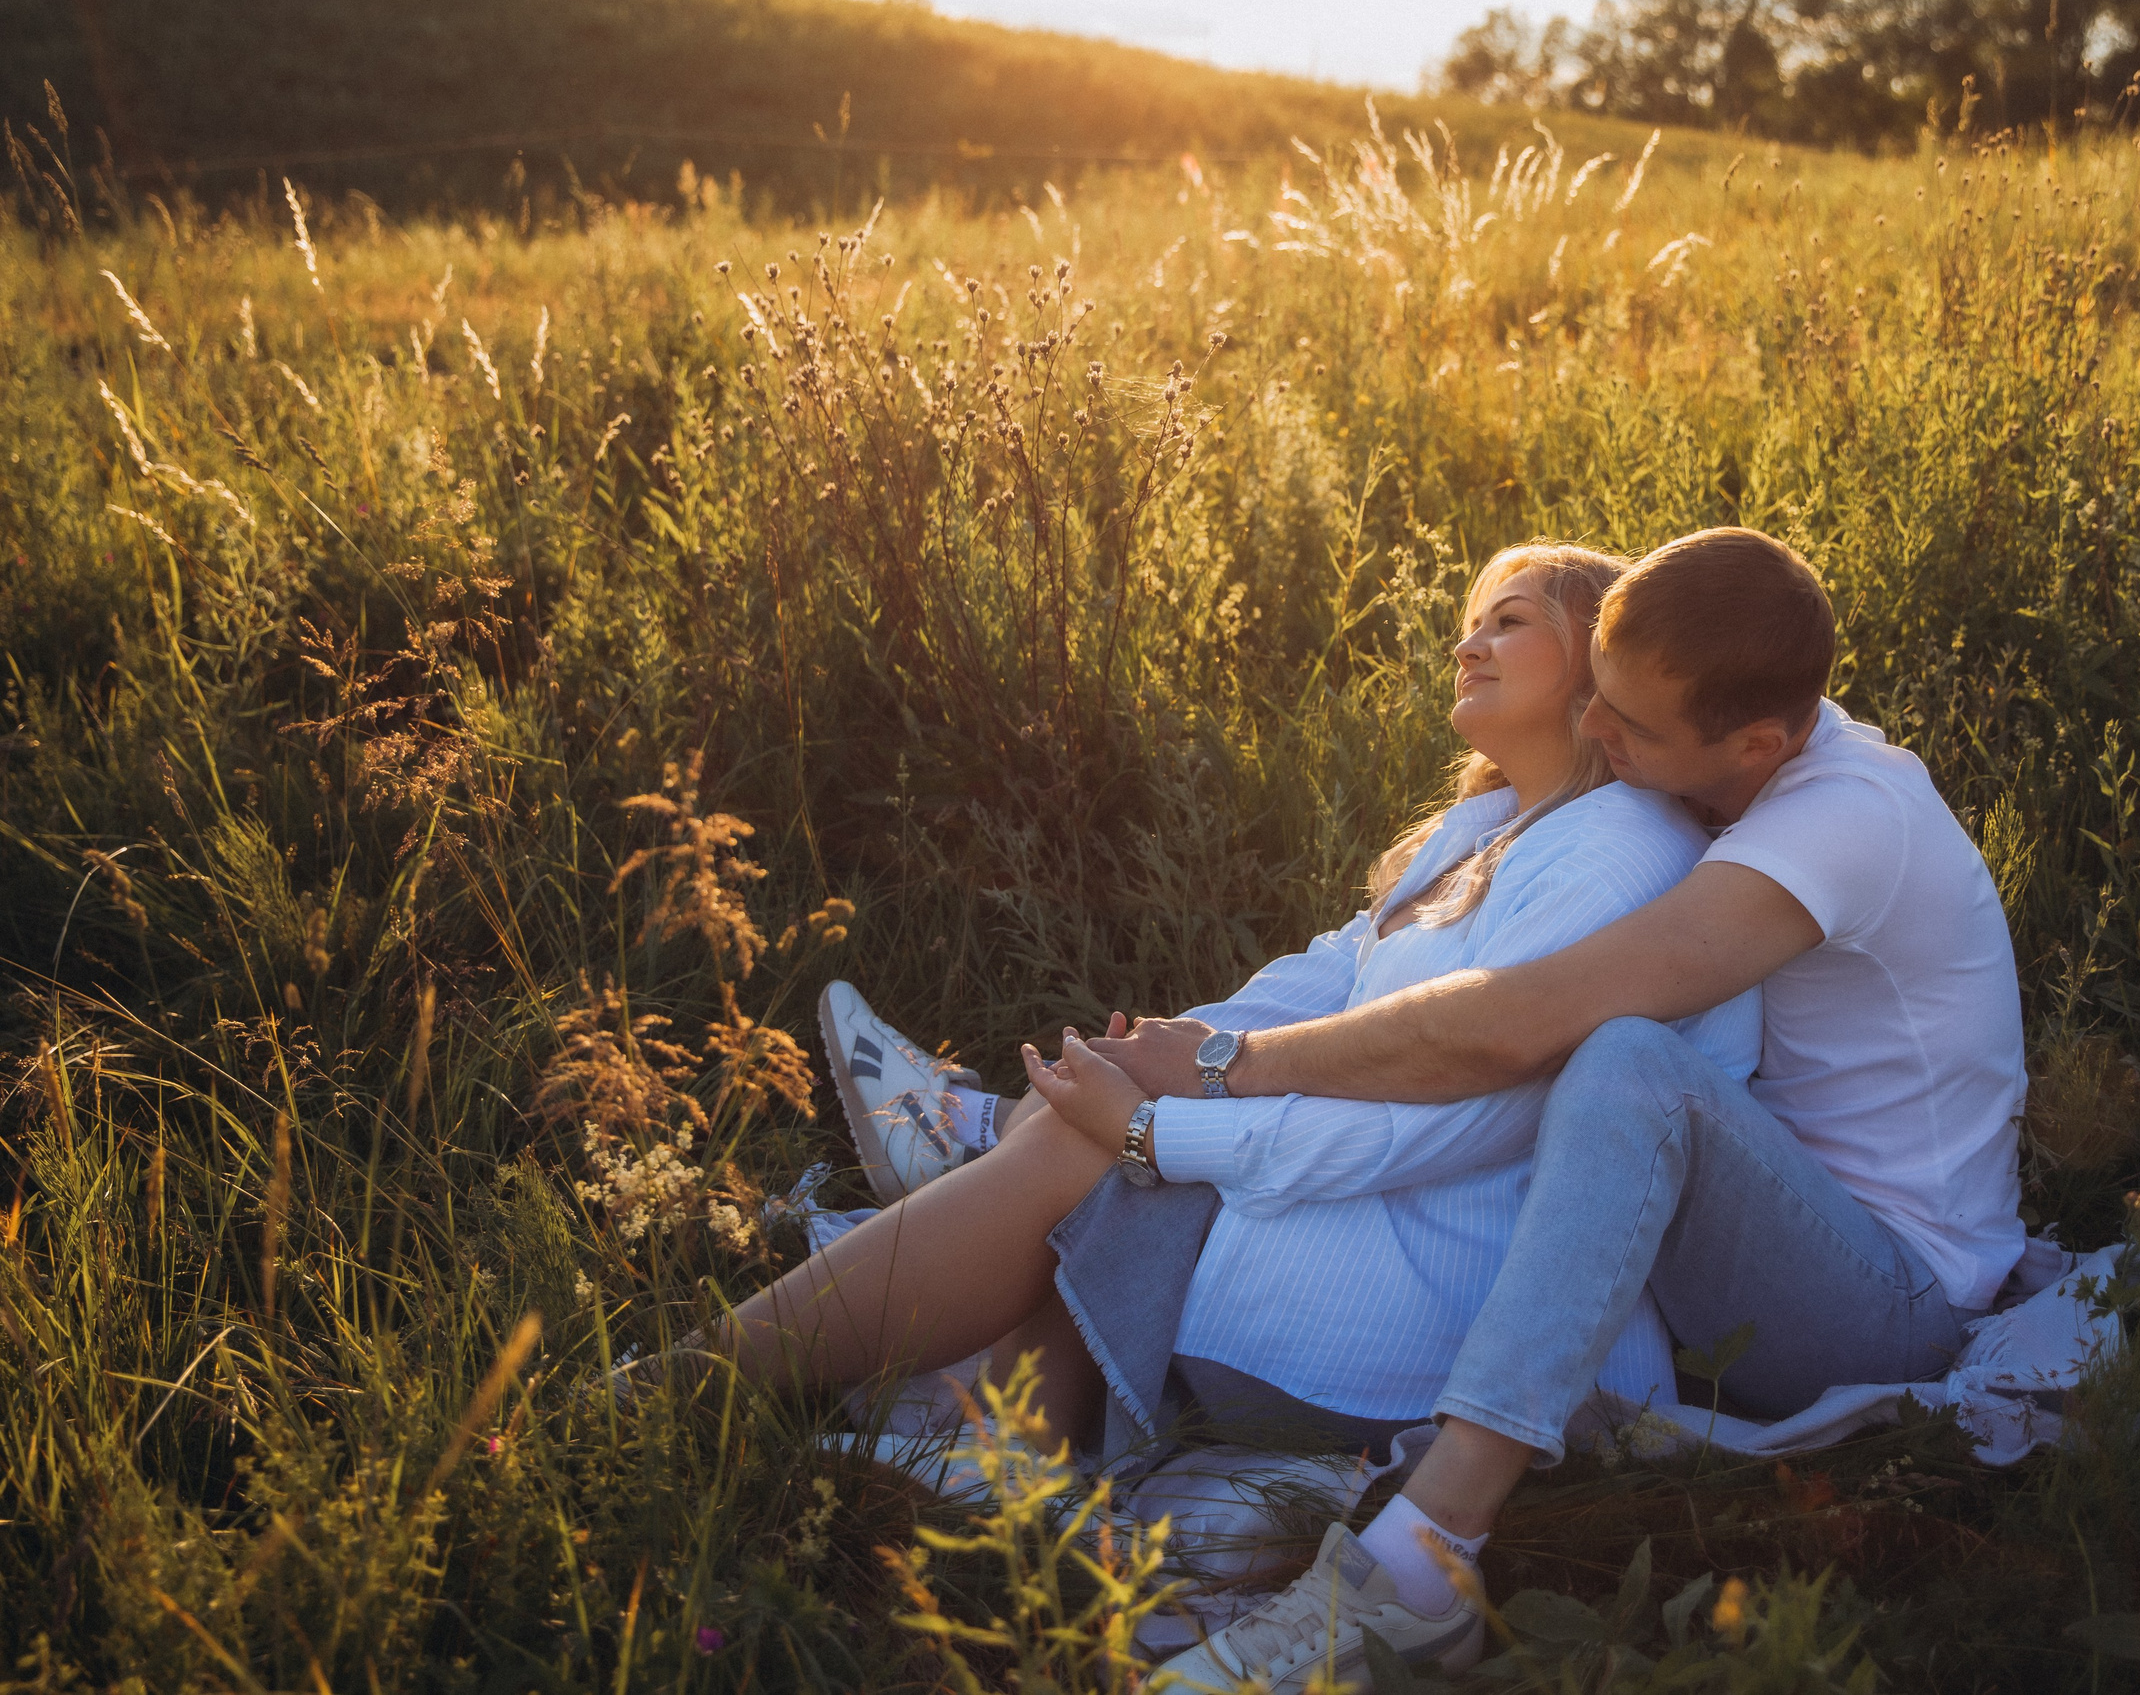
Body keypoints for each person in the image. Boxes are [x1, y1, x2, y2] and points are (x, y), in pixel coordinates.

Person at [685, 544, 1759, 1645]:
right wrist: (1175, 1048)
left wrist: (1164, 1127)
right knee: (1094, 1132)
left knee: (1103, 1154)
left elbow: (1460, 1119)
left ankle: (703, 1382)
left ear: (1602, 666)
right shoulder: (1486, 828)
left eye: (1512, 620)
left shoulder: (1620, 852)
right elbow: (1328, 977)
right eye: (1473, 618)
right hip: (1376, 1228)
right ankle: (991, 1414)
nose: (1466, 641)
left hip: (1449, 1300)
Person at [1039, 526, 2029, 1692]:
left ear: (1756, 743)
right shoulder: (1734, 744)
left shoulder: (1843, 819)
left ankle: (1419, 1563)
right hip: (1743, 1233)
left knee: (1623, 1059)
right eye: (1595, 695)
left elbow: (1513, 1022)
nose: (1595, 732)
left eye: (1630, 726)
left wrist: (1229, 1067)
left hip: (1887, 1293)